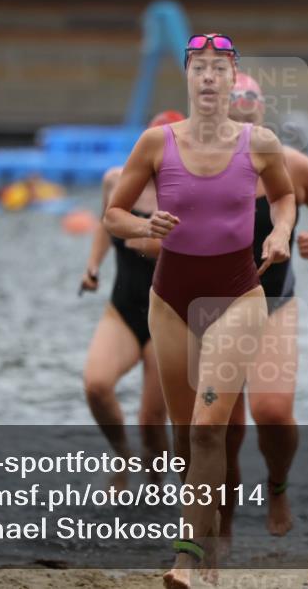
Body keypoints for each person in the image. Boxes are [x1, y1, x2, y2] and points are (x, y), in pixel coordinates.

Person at [104, 34, 295, 589]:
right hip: (169, 301)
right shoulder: (155, 144)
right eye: (199, 68)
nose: (209, 78)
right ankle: (210, 555)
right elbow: (114, 214)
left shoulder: (260, 143)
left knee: (210, 429)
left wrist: (280, 233)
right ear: (187, 78)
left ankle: (186, 559)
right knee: (188, 435)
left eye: (220, 69)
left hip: (236, 296)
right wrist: (145, 227)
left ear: (233, 79)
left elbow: (283, 198)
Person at [220, 73, 308, 545]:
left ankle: (277, 486)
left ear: (262, 110)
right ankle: (225, 526)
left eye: (248, 100)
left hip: (274, 303)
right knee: (225, 431)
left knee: (272, 412)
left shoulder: (291, 164)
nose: (240, 108)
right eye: (231, 102)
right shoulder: (197, 167)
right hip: (215, 310)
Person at [81, 111, 184, 490]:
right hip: (122, 309)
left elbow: (165, 246)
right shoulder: (117, 180)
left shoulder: (192, 192)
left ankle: (154, 493)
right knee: (96, 384)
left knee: (152, 420)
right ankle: (122, 453)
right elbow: (106, 225)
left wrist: (144, 236)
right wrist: (92, 266)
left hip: (170, 317)